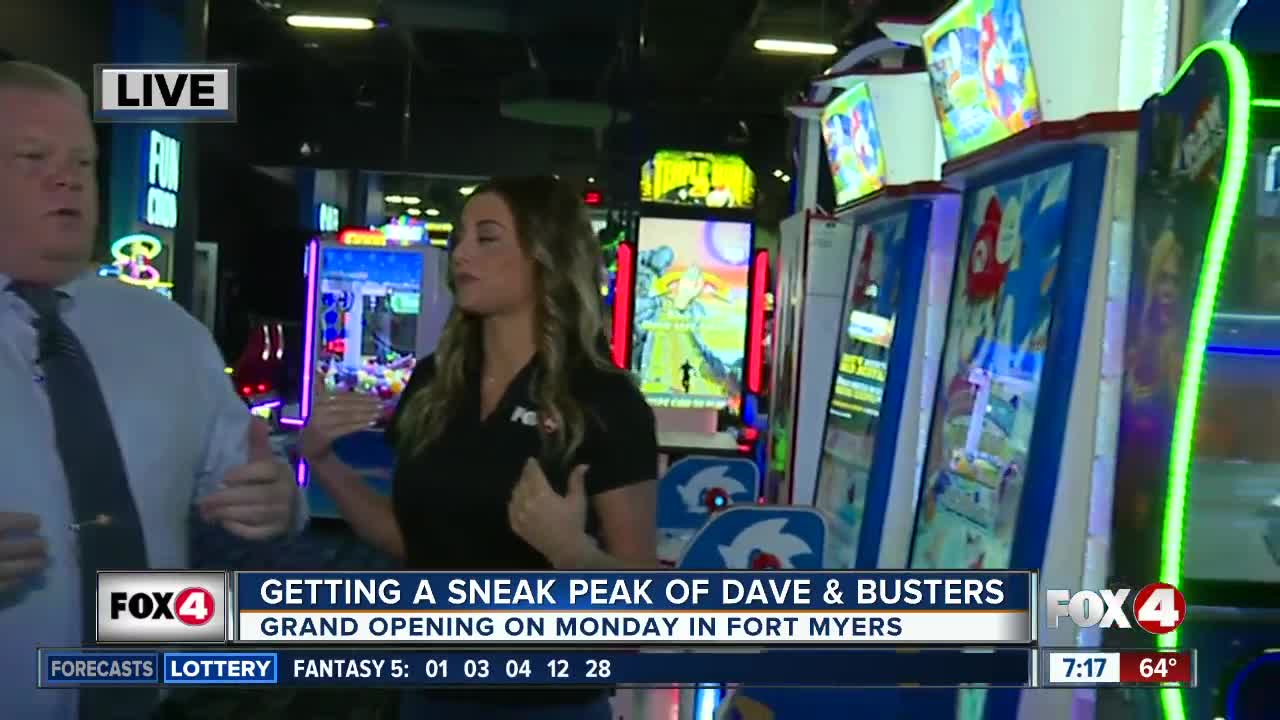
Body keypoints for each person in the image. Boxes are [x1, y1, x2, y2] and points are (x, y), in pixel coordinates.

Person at [0, 61, 305, 719]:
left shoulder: (169, 334)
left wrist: (277, 503)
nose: (68, 177)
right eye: (32, 157)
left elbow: (251, 483)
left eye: (83, 161)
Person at [301, 176, 658, 719]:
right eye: (460, 237)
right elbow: (412, 541)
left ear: (545, 256)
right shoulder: (433, 384)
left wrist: (570, 553)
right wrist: (322, 462)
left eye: (486, 238)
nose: (460, 252)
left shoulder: (605, 401)